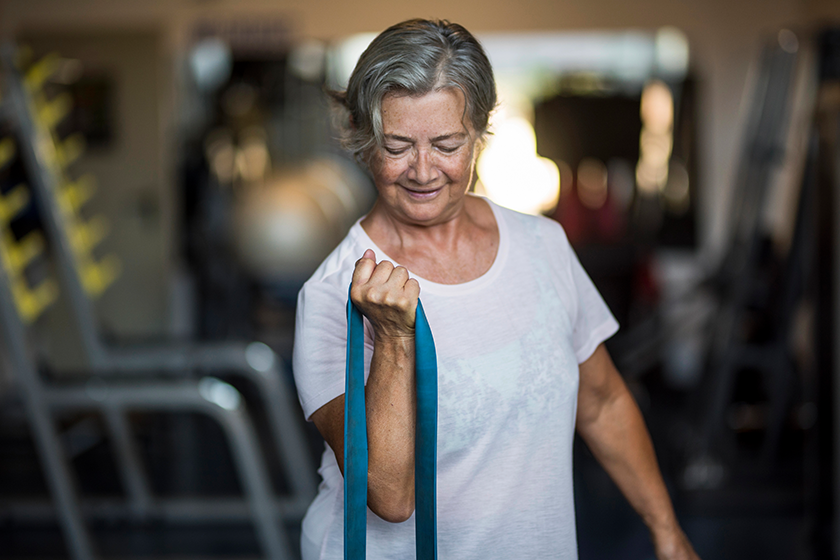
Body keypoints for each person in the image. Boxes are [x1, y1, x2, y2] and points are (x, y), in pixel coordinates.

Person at [292, 18, 700, 560]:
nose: (421, 170)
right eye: (397, 145)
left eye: (445, 144)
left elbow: (601, 403)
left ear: (480, 134)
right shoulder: (332, 294)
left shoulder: (541, 244)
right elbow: (388, 497)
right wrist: (391, 340)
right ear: (366, 142)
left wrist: (667, 531)